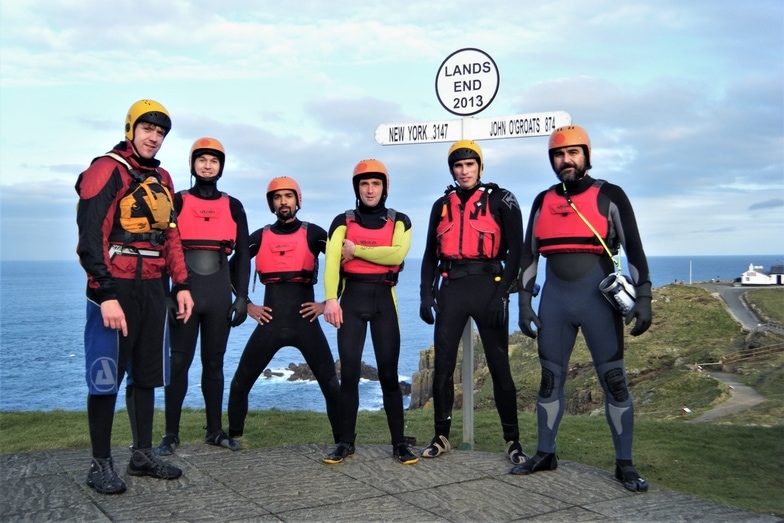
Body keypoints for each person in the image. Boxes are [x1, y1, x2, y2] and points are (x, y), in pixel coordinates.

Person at [512, 125, 652, 493]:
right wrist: (525, 302)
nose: (566, 160)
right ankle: (546, 453)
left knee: (615, 383)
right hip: (555, 302)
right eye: (559, 154)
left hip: (597, 302)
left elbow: (634, 250)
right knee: (549, 381)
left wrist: (645, 298)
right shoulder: (542, 200)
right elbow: (529, 256)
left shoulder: (609, 195)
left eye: (573, 153)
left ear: (587, 156)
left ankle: (625, 464)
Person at [75, 99, 194, 495]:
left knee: (145, 376)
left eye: (160, 133)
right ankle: (100, 463)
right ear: (131, 129)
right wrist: (104, 293)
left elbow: (172, 236)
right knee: (106, 376)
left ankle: (142, 454)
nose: (154, 138)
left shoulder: (164, 179)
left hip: (153, 289)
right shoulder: (106, 169)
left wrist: (183, 284)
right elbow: (90, 236)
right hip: (114, 287)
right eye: (148, 130)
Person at [419, 140, 526, 465]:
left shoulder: (501, 199)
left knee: (499, 368)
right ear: (452, 169)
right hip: (451, 288)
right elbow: (429, 254)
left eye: (470, 164)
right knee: (443, 367)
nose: (464, 171)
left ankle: (512, 441)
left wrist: (503, 293)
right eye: (458, 165)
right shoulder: (441, 205)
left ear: (479, 167)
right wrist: (426, 293)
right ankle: (441, 436)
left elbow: (517, 252)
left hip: (489, 288)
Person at [227, 176, 341, 443]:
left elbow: (340, 265)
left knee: (331, 385)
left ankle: (342, 441)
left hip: (305, 322)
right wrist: (248, 304)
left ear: (297, 200)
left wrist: (327, 303)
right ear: (272, 204)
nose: (283, 202)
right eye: (277, 198)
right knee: (239, 383)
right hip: (270, 322)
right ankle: (235, 439)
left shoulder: (314, 234)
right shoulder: (261, 236)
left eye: (288, 196)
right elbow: (233, 267)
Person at [155, 137, 250, 456]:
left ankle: (214, 430)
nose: (208, 165)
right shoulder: (178, 200)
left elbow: (244, 257)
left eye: (214, 160)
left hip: (219, 294)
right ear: (193, 165)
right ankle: (170, 434)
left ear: (221, 166)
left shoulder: (233, 205)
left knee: (214, 363)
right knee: (178, 362)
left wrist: (242, 299)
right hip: (185, 294)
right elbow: (163, 248)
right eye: (202, 160)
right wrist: (166, 295)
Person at [322, 159, 417, 465]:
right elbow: (332, 260)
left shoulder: (400, 219)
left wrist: (357, 250)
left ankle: (399, 443)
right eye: (364, 184)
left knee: (389, 376)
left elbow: (397, 255)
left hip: (383, 301)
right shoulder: (342, 220)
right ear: (357, 188)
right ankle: (346, 443)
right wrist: (330, 299)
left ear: (384, 187)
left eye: (376, 184)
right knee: (348, 376)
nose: (370, 189)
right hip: (350, 299)